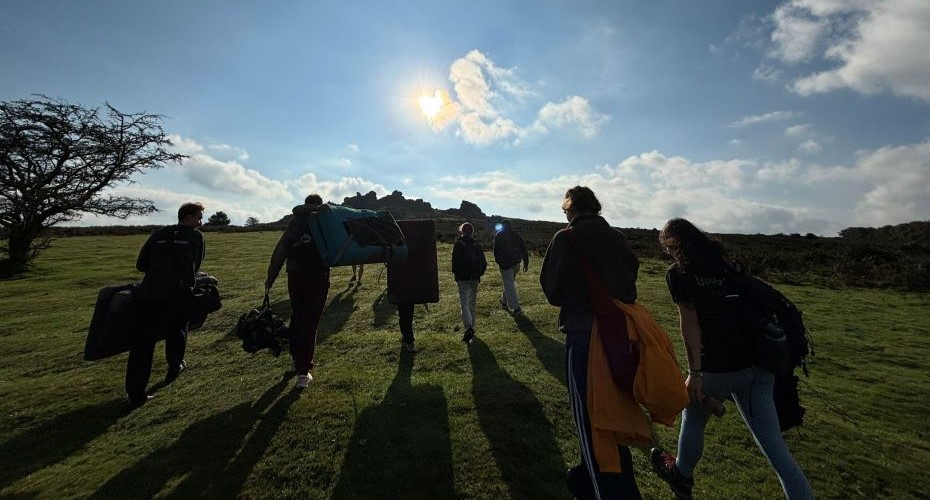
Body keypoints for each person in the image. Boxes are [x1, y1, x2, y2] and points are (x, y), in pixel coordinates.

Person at [651, 218, 813, 500]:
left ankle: (682, 475)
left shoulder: (680, 274)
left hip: (716, 368)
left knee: (693, 417)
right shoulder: (729, 267)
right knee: (776, 450)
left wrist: (695, 373)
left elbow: (690, 325)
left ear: (673, 243)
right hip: (759, 366)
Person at [540, 186, 644, 499]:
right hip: (620, 335)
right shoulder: (618, 237)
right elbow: (630, 282)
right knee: (612, 410)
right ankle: (588, 477)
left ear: (570, 208)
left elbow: (553, 290)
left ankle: (606, 488)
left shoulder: (566, 238)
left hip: (585, 335)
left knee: (589, 419)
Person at [126, 202, 206, 408]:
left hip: (148, 294)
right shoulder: (194, 237)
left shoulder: (158, 234)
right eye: (198, 217)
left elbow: (141, 264)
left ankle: (136, 393)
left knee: (142, 345)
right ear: (187, 217)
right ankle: (174, 366)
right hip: (177, 294)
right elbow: (196, 265)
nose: (201, 221)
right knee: (178, 330)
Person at [265, 194, 331, 389]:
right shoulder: (323, 218)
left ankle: (295, 358)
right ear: (319, 204)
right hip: (318, 275)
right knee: (311, 321)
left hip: (295, 274)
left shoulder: (295, 220)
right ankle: (303, 372)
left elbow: (281, 249)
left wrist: (271, 277)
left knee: (298, 315)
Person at [451, 222, 486, 344]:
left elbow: (454, 262)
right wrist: (479, 273)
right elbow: (484, 262)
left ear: (462, 231)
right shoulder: (477, 245)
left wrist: (456, 274)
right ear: (472, 232)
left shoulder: (458, 244)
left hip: (462, 278)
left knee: (464, 302)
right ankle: (472, 325)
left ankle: (468, 327)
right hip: (474, 277)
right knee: (472, 302)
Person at [493, 219, 529, 316]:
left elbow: (495, 251)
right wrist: (526, 262)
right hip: (516, 264)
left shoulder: (499, 235)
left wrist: (500, 262)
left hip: (506, 265)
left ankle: (516, 308)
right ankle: (503, 301)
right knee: (509, 284)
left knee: (509, 285)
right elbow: (523, 247)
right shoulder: (516, 235)